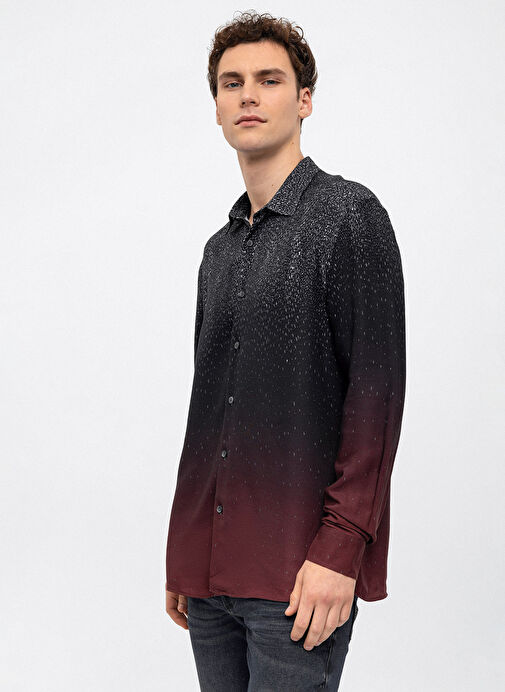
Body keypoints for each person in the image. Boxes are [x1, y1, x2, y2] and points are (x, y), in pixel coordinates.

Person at [164, 10, 406, 691]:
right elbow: (210, 410)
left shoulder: (349, 216)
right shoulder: (218, 251)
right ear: (216, 106)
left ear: (303, 100)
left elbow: (376, 397)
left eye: (268, 80)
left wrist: (341, 550)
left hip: (299, 574)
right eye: (231, 83)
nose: (248, 95)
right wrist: (187, 550)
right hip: (210, 577)